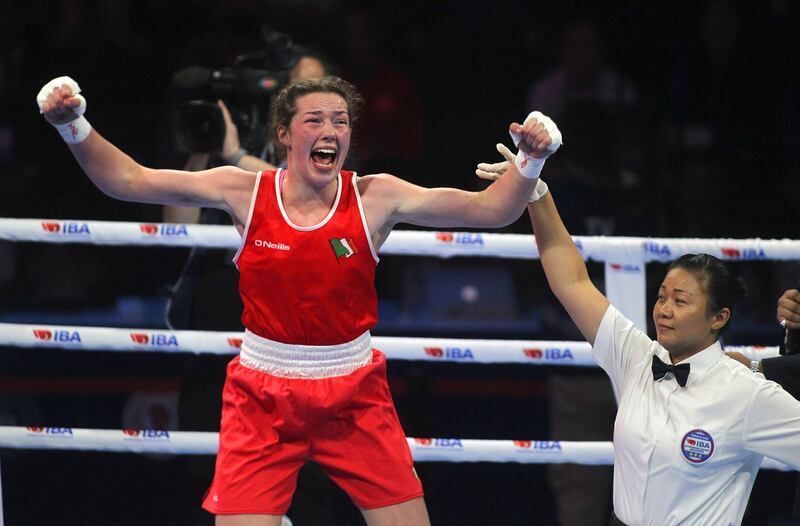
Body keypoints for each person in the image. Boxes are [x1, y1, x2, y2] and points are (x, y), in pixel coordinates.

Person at [38, 75, 561, 526]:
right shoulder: (245, 191)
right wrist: (73, 126)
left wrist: (530, 161)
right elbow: (129, 181)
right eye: (314, 120)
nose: (330, 131)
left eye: (340, 120)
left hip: (355, 392)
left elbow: (492, 210)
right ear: (285, 134)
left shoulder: (375, 195)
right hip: (263, 395)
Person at [477, 145, 800, 525]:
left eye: (681, 301)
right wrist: (536, 191)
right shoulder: (635, 356)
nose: (664, 309)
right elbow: (572, 281)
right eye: (661, 296)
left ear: (719, 317)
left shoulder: (748, 394)